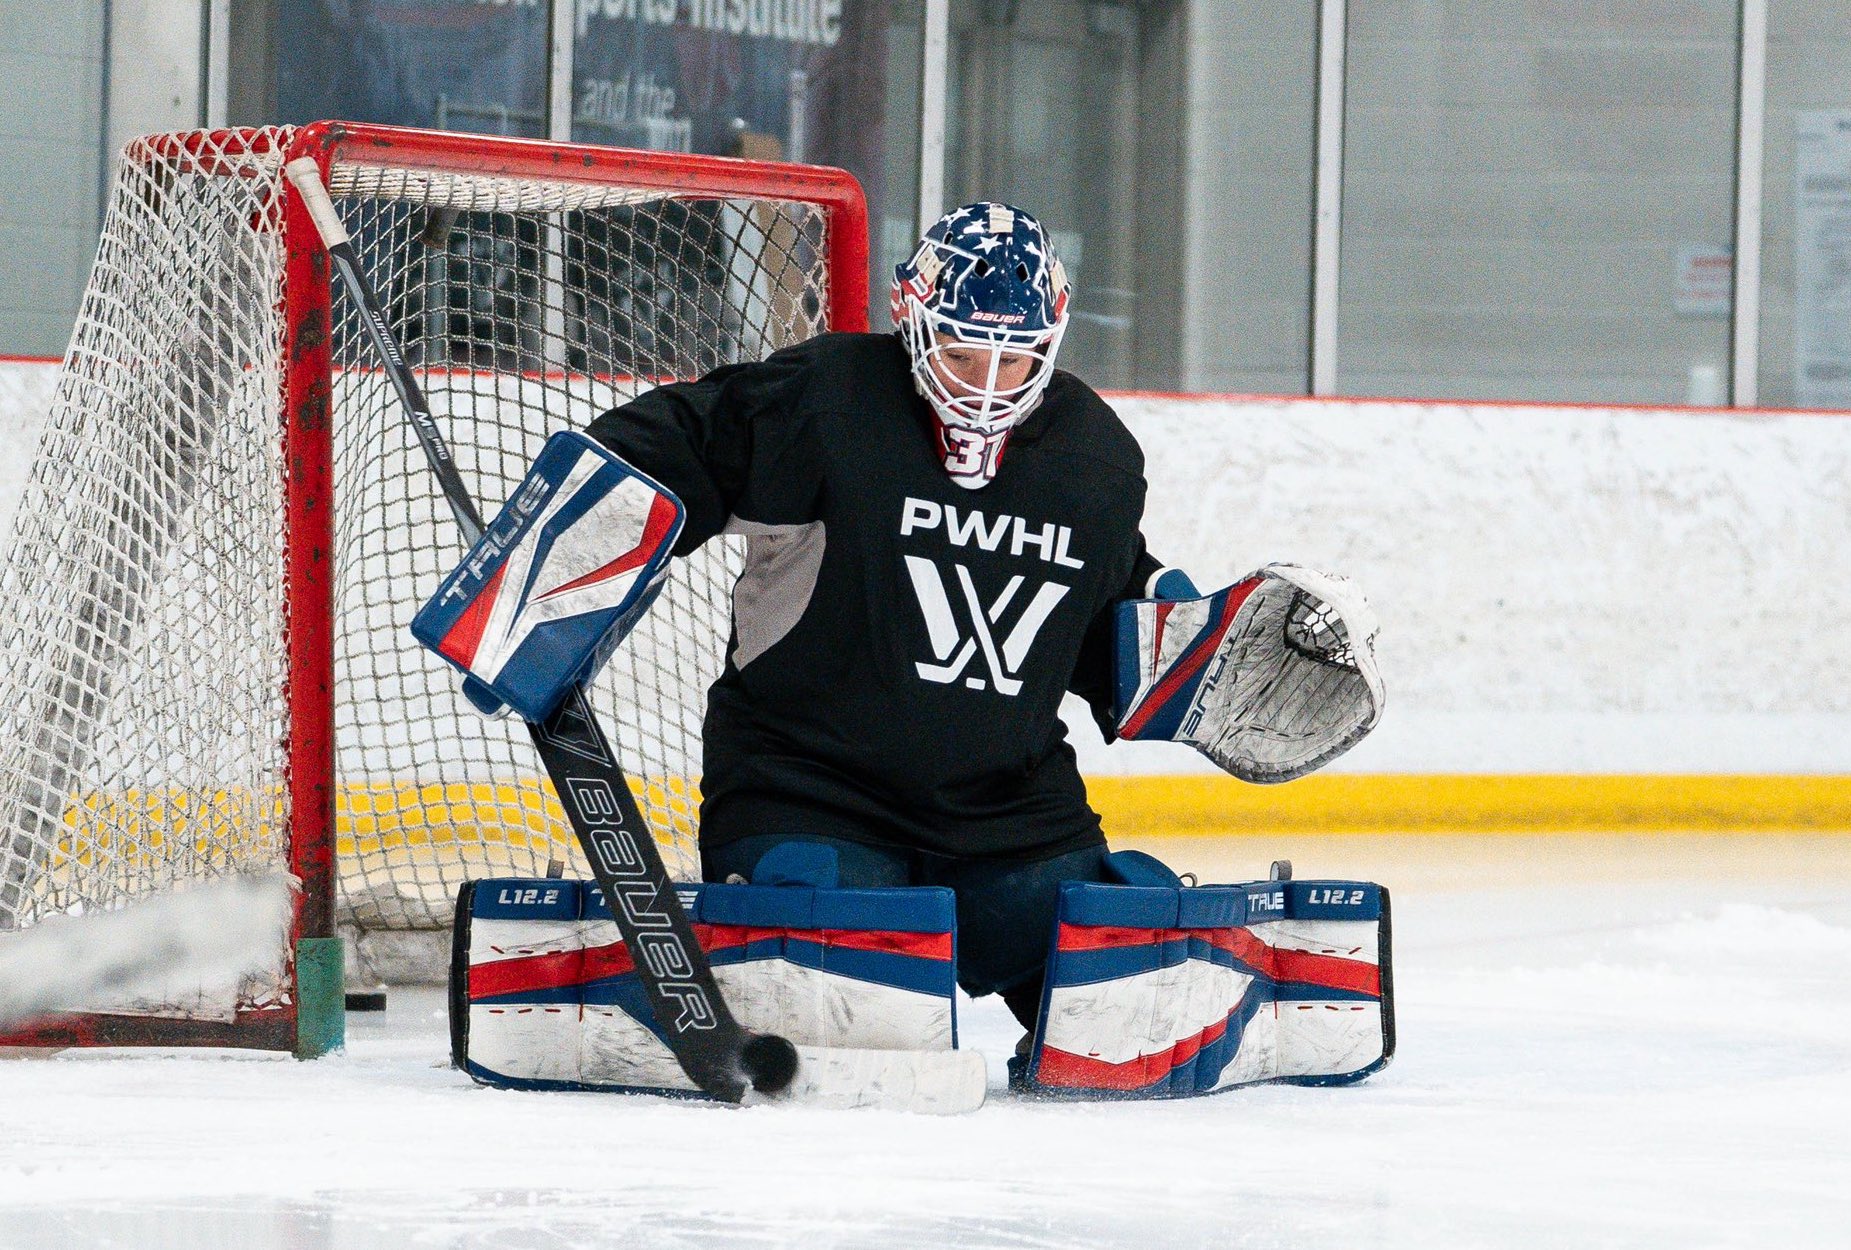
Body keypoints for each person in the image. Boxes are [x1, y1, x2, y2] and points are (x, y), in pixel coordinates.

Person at [582, 202, 1186, 1034]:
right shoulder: (827, 402)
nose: (984, 384)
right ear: (911, 320)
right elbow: (674, 445)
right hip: (809, 795)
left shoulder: (1095, 457)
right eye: (963, 351)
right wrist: (561, 548)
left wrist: (1184, 643)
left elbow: (1097, 619)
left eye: (1013, 361)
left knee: (1133, 996)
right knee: (849, 1010)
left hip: (1008, 817)